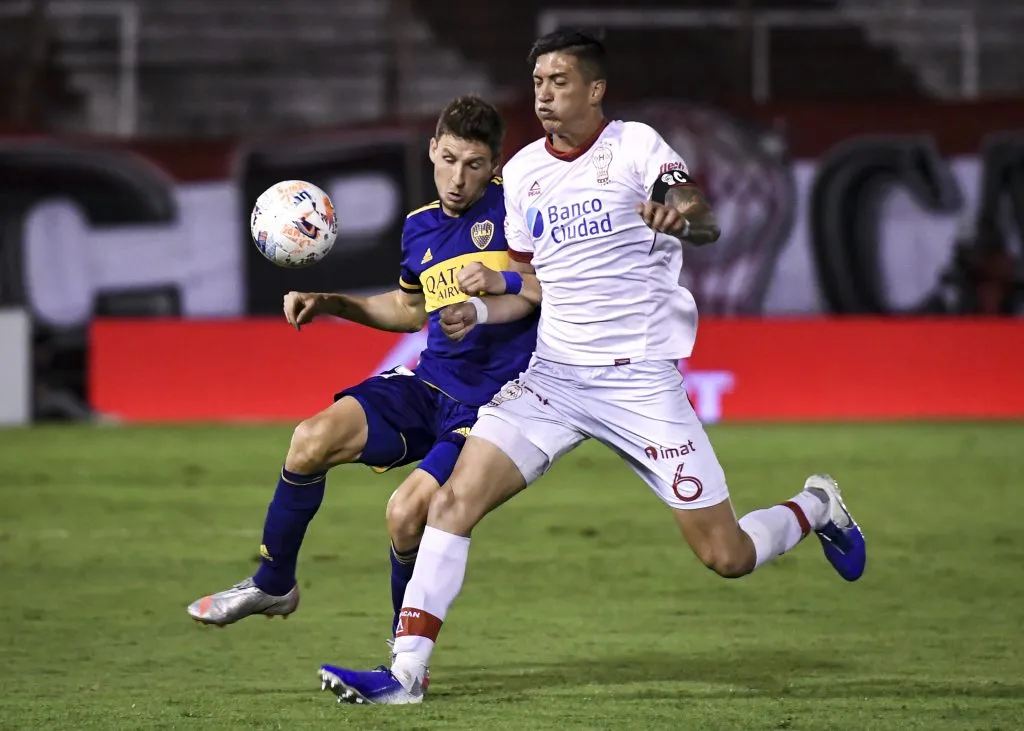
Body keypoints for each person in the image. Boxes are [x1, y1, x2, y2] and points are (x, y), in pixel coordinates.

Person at [318, 29, 865, 706]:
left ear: (595, 90)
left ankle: (817, 506)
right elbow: (527, 284)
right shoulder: (520, 174)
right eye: (539, 82)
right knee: (452, 501)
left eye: (561, 82)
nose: (545, 94)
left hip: (639, 383)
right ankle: (406, 674)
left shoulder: (636, 147)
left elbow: (703, 214)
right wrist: (483, 311)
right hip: (554, 380)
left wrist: (679, 217)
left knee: (726, 556)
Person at [186, 96, 540, 654]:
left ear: (494, 165)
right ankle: (273, 583)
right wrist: (331, 302)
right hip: (427, 386)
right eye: (448, 159)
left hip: (490, 407)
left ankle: (405, 656)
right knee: (309, 440)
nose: (457, 177)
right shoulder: (419, 228)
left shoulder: (517, 216)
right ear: (432, 150)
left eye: (473, 165)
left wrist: (503, 286)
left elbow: (552, 290)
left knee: (404, 515)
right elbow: (407, 311)